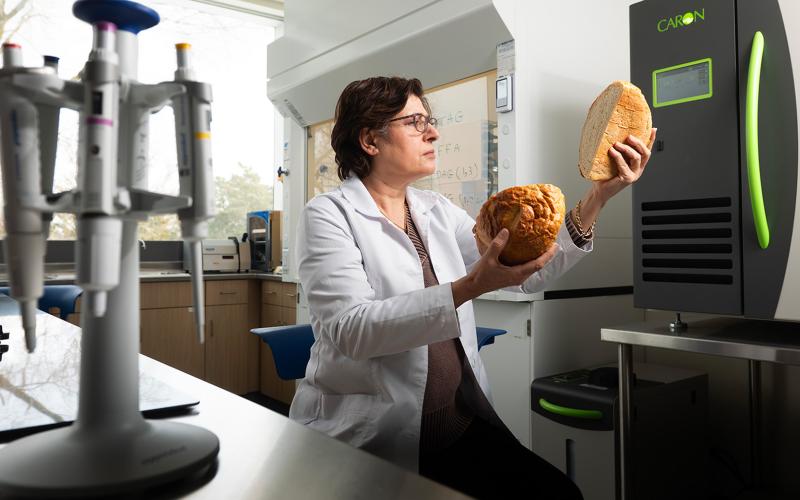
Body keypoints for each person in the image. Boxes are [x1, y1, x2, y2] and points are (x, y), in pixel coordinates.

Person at [293, 76, 656, 499]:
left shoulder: (437, 211)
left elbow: (525, 273)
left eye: (429, 120)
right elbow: (352, 331)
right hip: (375, 438)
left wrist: (598, 197)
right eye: (414, 122)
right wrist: (468, 287)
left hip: (459, 426)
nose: (433, 131)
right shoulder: (328, 215)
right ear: (370, 141)